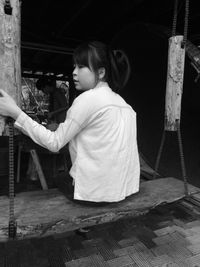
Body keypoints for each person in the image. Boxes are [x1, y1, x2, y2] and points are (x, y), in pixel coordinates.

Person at [0, 41, 140, 205]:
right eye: (74, 67)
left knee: (58, 178)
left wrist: (16, 113)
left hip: (97, 196)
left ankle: (82, 228)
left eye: (81, 67)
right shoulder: (126, 105)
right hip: (124, 189)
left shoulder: (87, 99)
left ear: (101, 72)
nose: (74, 73)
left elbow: (54, 143)